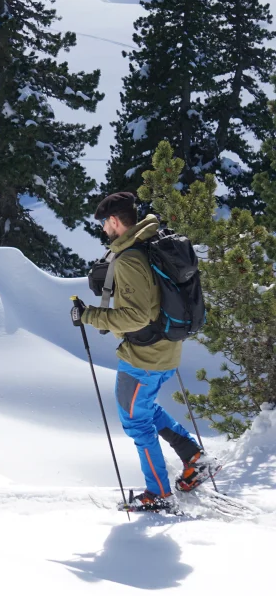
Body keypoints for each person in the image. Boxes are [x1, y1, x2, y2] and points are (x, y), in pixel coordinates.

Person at [70, 192, 219, 511]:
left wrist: (89, 315)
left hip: (144, 358)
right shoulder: (150, 242)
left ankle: (159, 492)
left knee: (135, 421)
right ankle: (194, 458)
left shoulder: (130, 259)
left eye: (103, 223)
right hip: (164, 350)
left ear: (114, 221)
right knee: (145, 409)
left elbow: (137, 315)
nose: (103, 230)